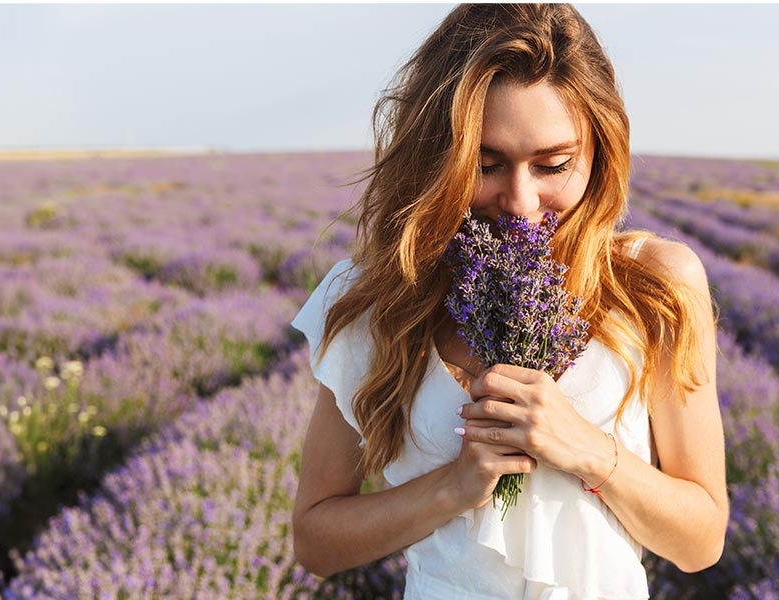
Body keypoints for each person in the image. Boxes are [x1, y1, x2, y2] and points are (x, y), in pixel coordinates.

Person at [289, 4, 727, 598]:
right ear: (436, 157)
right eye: (486, 164)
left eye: (553, 164)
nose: (520, 201)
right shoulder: (377, 299)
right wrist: (453, 487)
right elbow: (316, 541)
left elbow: (701, 542)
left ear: (600, 151)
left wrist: (587, 450)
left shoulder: (655, 285)